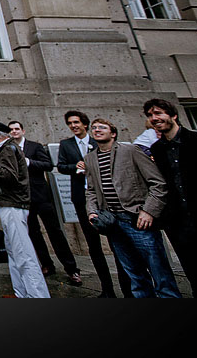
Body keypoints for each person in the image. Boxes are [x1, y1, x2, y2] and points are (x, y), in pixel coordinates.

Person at [85, 117, 180, 298]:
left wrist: (149, 211)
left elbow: (158, 183)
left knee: (159, 270)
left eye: (102, 127)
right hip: (112, 222)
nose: (96, 130)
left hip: (137, 219)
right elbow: (90, 190)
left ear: (112, 133)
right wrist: (92, 212)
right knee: (134, 273)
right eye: (94, 127)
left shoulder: (131, 150)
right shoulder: (90, 159)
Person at [57, 110, 131, 298]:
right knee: (93, 245)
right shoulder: (66, 145)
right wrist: (76, 166)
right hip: (81, 198)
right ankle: (107, 289)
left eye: (76, 123)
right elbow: (61, 166)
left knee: (117, 245)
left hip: (104, 198)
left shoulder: (97, 142)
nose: (74, 126)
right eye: (70, 123)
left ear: (84, 124)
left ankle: (127, 288)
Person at [145, 98, 197, 298]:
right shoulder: (156, 149)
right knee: (194, 271)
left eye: (158, 113)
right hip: (179, 222)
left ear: (173, 115)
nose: (154, 118)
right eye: (150, 115)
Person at [0, 121, 50, 298]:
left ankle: (37, 295)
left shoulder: (8, 149)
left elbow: (11, 176)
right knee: (13, 251)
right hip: (8, 203)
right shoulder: (8, 148)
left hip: (13, 204)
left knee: (23, 253)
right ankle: (21, 292)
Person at [8, 120, 81, 286]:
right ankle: (47, 264)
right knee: (33, 233)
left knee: (54, 231)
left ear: (23, 130)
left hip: (41, 196)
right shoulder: (9, 149)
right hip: (23, 198)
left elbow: (48, 165)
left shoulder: (34, 146)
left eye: (17, 129)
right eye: (11, 130)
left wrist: (28, 162)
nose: (14, 132)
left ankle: (71, 268)